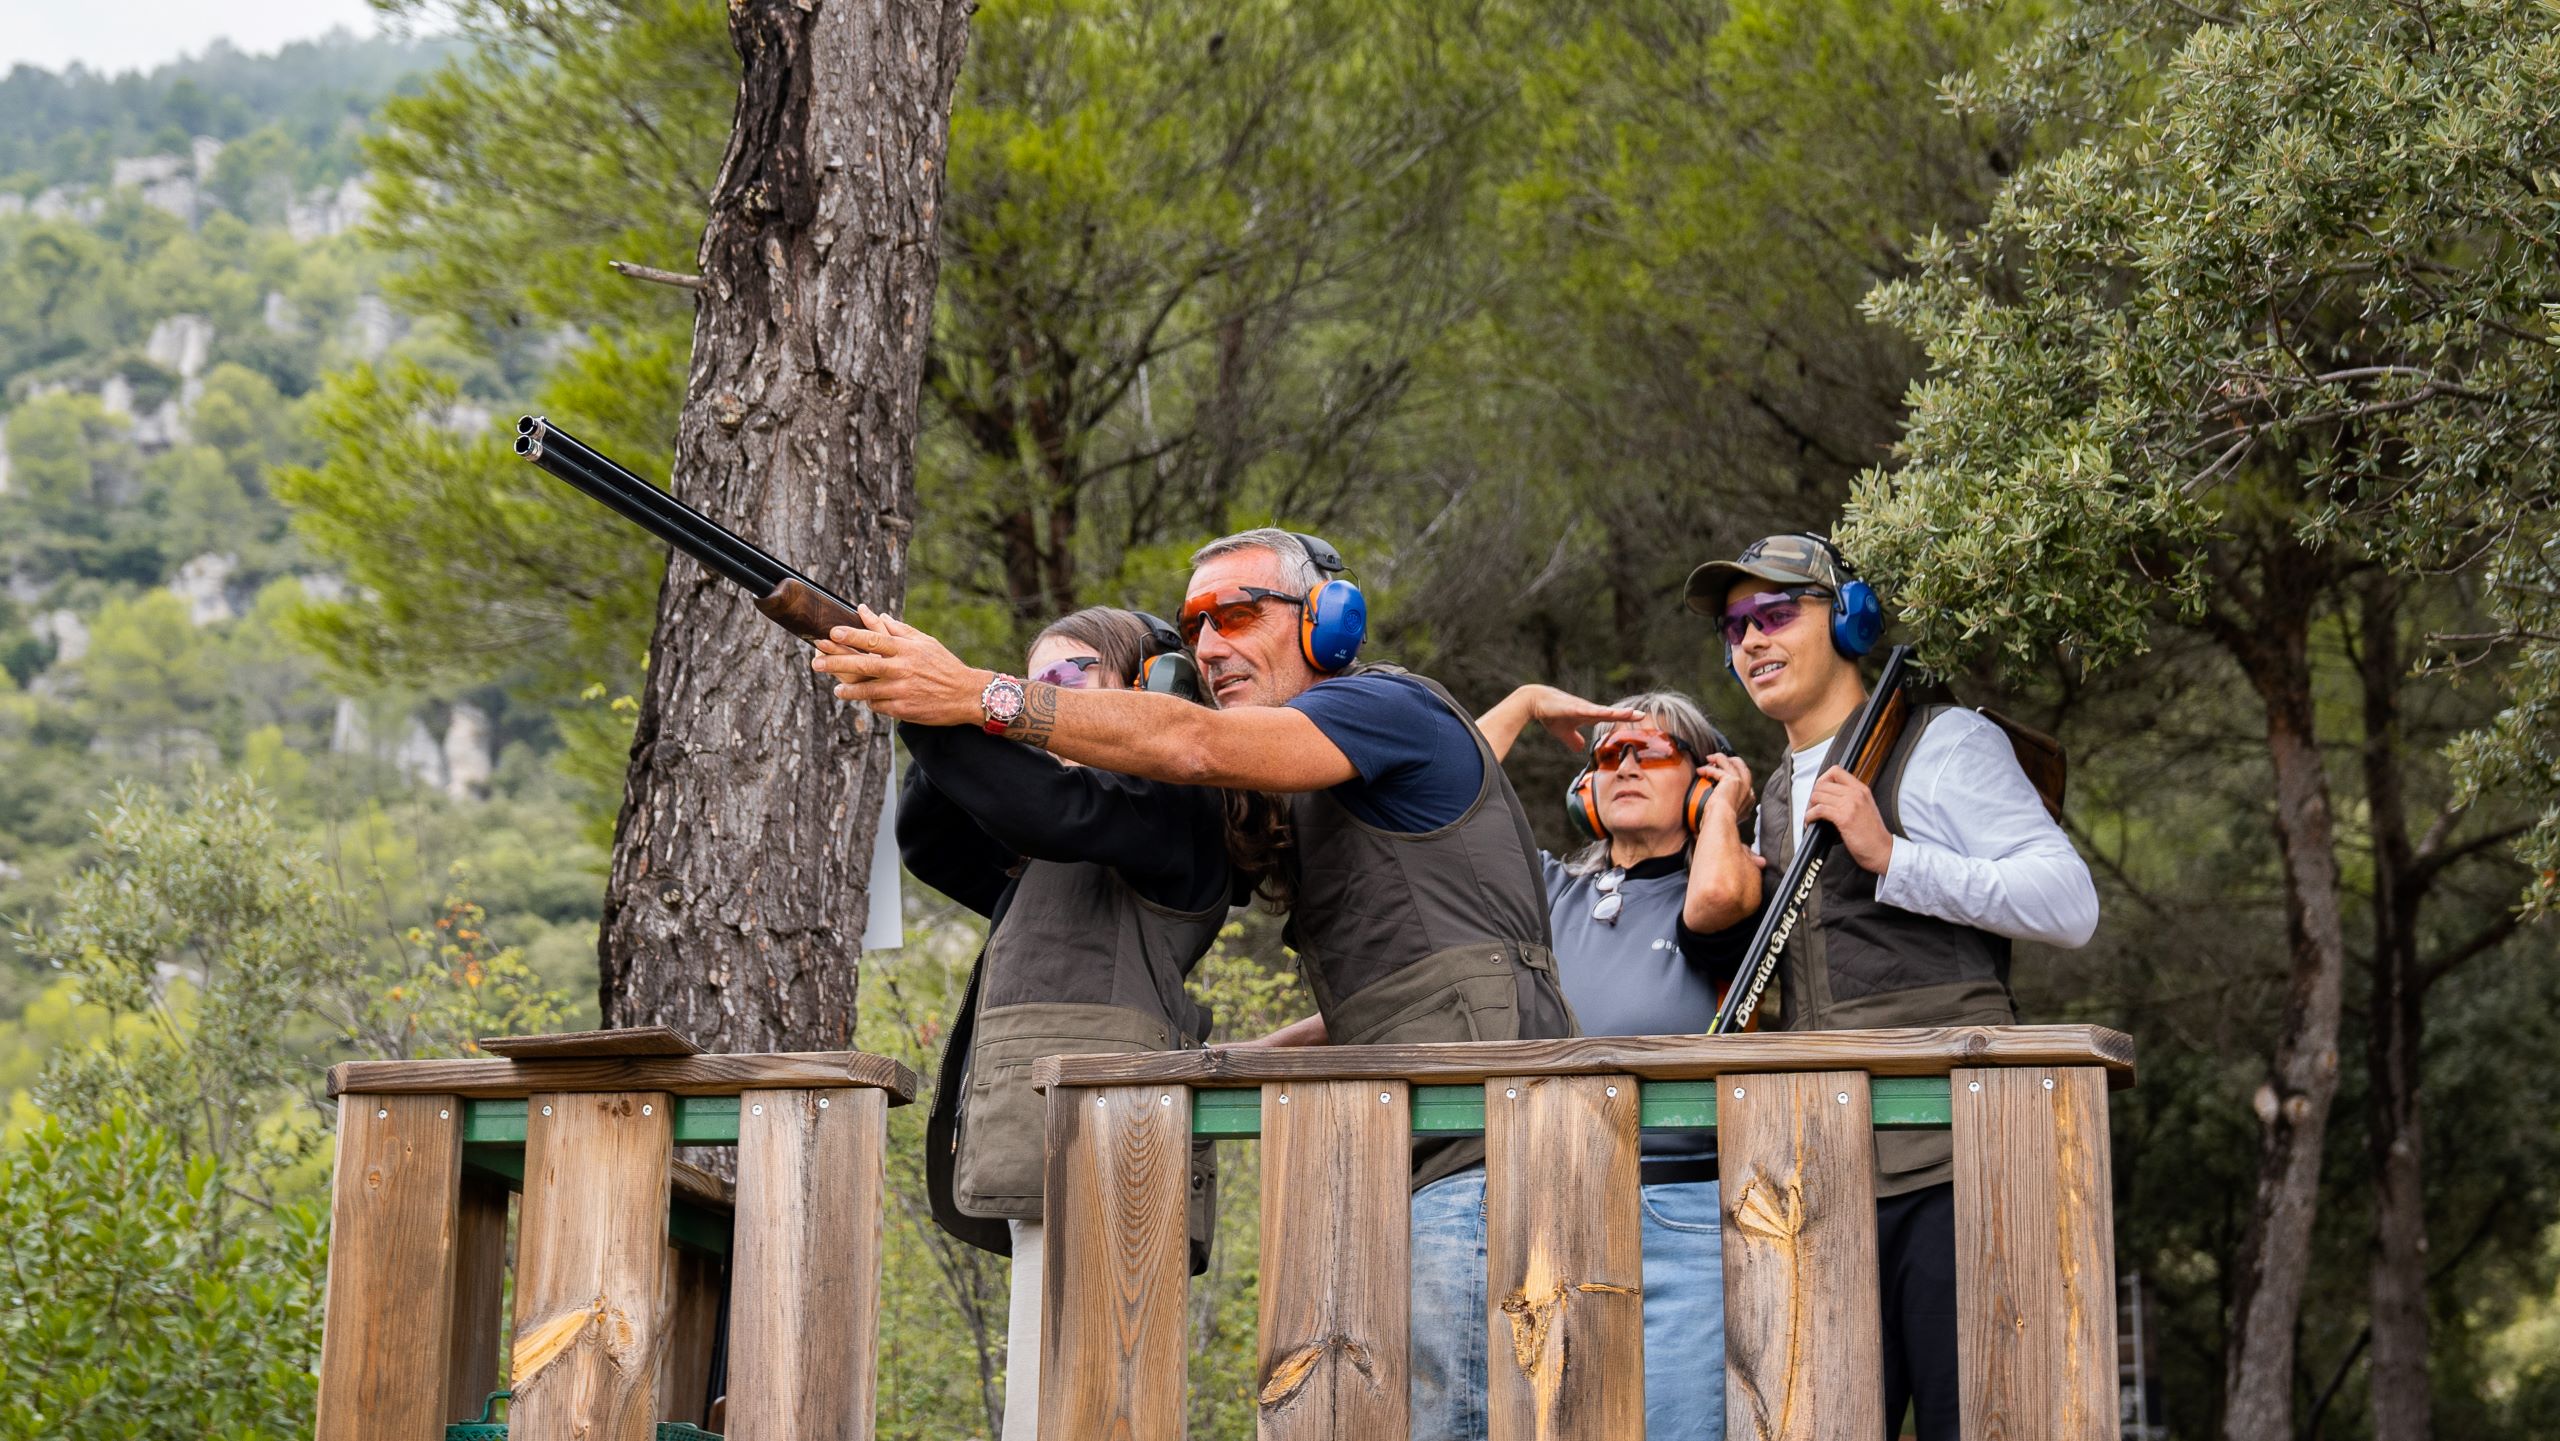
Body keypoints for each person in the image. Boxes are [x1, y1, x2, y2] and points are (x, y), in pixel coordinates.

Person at [812, 528, 1578, 1441]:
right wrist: (1232, 1058)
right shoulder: (1325, 794)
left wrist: (978, 694)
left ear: (1331, 623)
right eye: (1195, 624)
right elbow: (1387, 1001)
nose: (1210, 643)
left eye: (1239, 613)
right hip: (1398, 1152)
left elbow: (1190, 746)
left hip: (1481, 1146)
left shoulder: (1387, 705)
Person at [1684, 533, 2100, 1441]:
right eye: (1735, 626)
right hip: (1825, 1172)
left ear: (1853, 617)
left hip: (1960, 1156)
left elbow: (2070, 902)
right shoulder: (1777, 794)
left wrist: (1892, 856)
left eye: (1777, 612)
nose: (1751, 640)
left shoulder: (1942, 741)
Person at [892, 606, 1240, 1441]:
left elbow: (1050, 807)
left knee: (1096, 1412)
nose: (1037, 700)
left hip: (1113, 1150)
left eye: (1068, 678)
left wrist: (955, 703)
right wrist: (937, 702)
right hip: (1056, 1141)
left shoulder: (1167, 808)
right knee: (1046, 1414)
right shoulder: (1053, 847)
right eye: (1027, 683)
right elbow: (928, 836)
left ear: (1150, 685)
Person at [1472, 683, 1761, 1441]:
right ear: (1584, 787)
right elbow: (1444, 799)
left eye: (1653, 751)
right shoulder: (1547, 887)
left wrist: (1722, 812)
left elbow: (1719, 903)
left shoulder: (1728, 873)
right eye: (1609, 753)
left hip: (1682, 1208)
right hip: (1546, 1206)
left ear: (1701, 780)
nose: (1626, 764)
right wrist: (1529, 702)